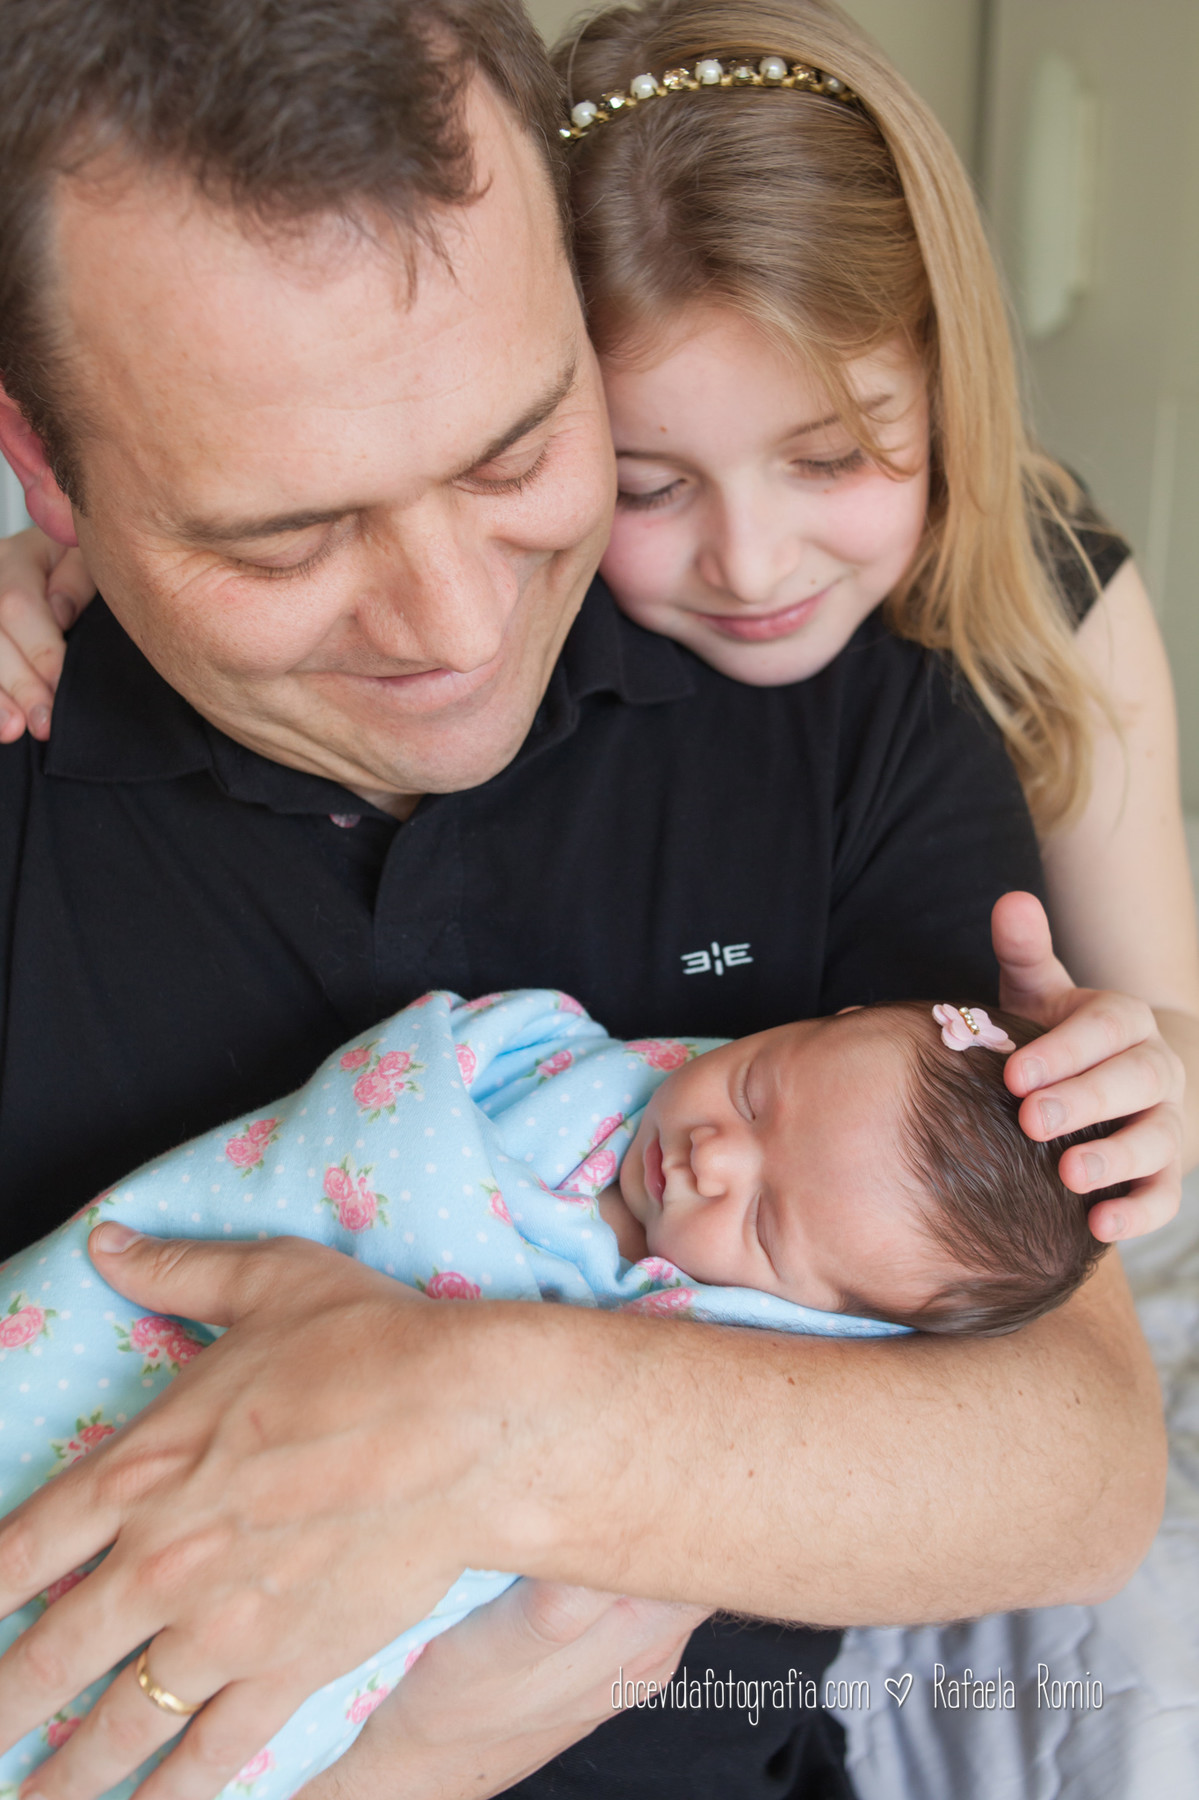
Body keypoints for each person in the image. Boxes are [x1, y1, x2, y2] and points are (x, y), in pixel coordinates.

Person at [0, 0, 1171, 1796]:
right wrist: (422, 1759)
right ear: (50, 480)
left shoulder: (838, 714)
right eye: (283, 537)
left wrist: (479, 1425)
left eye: (519, 457)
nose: (458, 630)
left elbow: (1072, 1465)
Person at [0, 978, 1122, 1794]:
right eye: (760, 1089)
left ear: (827, 1320)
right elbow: (381, 1122)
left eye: (767, 1220)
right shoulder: (554, 1077)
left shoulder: (731, 1345)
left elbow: (1096, 1503)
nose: (712, 1155)